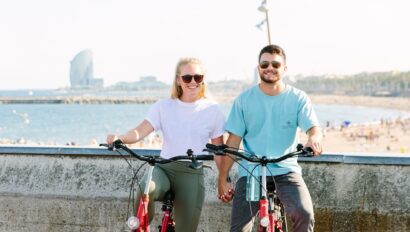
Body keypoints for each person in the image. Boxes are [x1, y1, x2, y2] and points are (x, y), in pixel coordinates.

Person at [106, 57, 225, 232]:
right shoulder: (163, 106)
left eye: (197, 77)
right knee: (145, 190)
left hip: (191, 173)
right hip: (164, 169)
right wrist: (120, 138)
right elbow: (141, 131)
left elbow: (219, 151)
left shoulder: (213, 110)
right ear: (178, 80)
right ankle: (141, 228)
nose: (193, 82)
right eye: (187, 77)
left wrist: (225, 179)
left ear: (203, 79)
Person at [217, 44, 323, 232]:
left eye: (275, 64)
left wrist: (313, 139)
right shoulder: (244, 100)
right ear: (258, 68)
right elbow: (233, 142)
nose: (270, 68)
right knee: (239, 229)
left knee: (304, 214)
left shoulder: (298, 98)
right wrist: (223, 178)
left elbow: (314, 129)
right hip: (252, 171)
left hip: (286, 170)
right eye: (264, 64)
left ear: (284, 68)